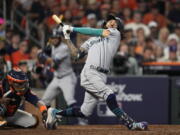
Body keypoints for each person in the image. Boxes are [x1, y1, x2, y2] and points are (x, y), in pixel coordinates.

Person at [45, 14, 148, 130]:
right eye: (110, 21)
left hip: (101, 75)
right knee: (109, 95)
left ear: (119, 28)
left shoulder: (115, 34)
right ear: (105, 23)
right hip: (90, 72)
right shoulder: (92, 40)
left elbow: (92, 31)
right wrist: (67, 37)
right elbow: (76, 55)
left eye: (115, 22)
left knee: (85, 112)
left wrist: (73, 29)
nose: (112, 23)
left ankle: (56, 113)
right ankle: (131, 124)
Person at [39, 28, 77, 109]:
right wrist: (42, 52)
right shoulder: (52, 47)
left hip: (67, 77)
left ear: (60, 38)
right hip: (57, 78)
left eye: (56, 38)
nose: (54, 40)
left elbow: (54, 61)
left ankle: (79, 119)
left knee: (70, 100)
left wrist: (42, 55)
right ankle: (49, 118)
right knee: (44, 101)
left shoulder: (64, 48)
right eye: (53, 38)